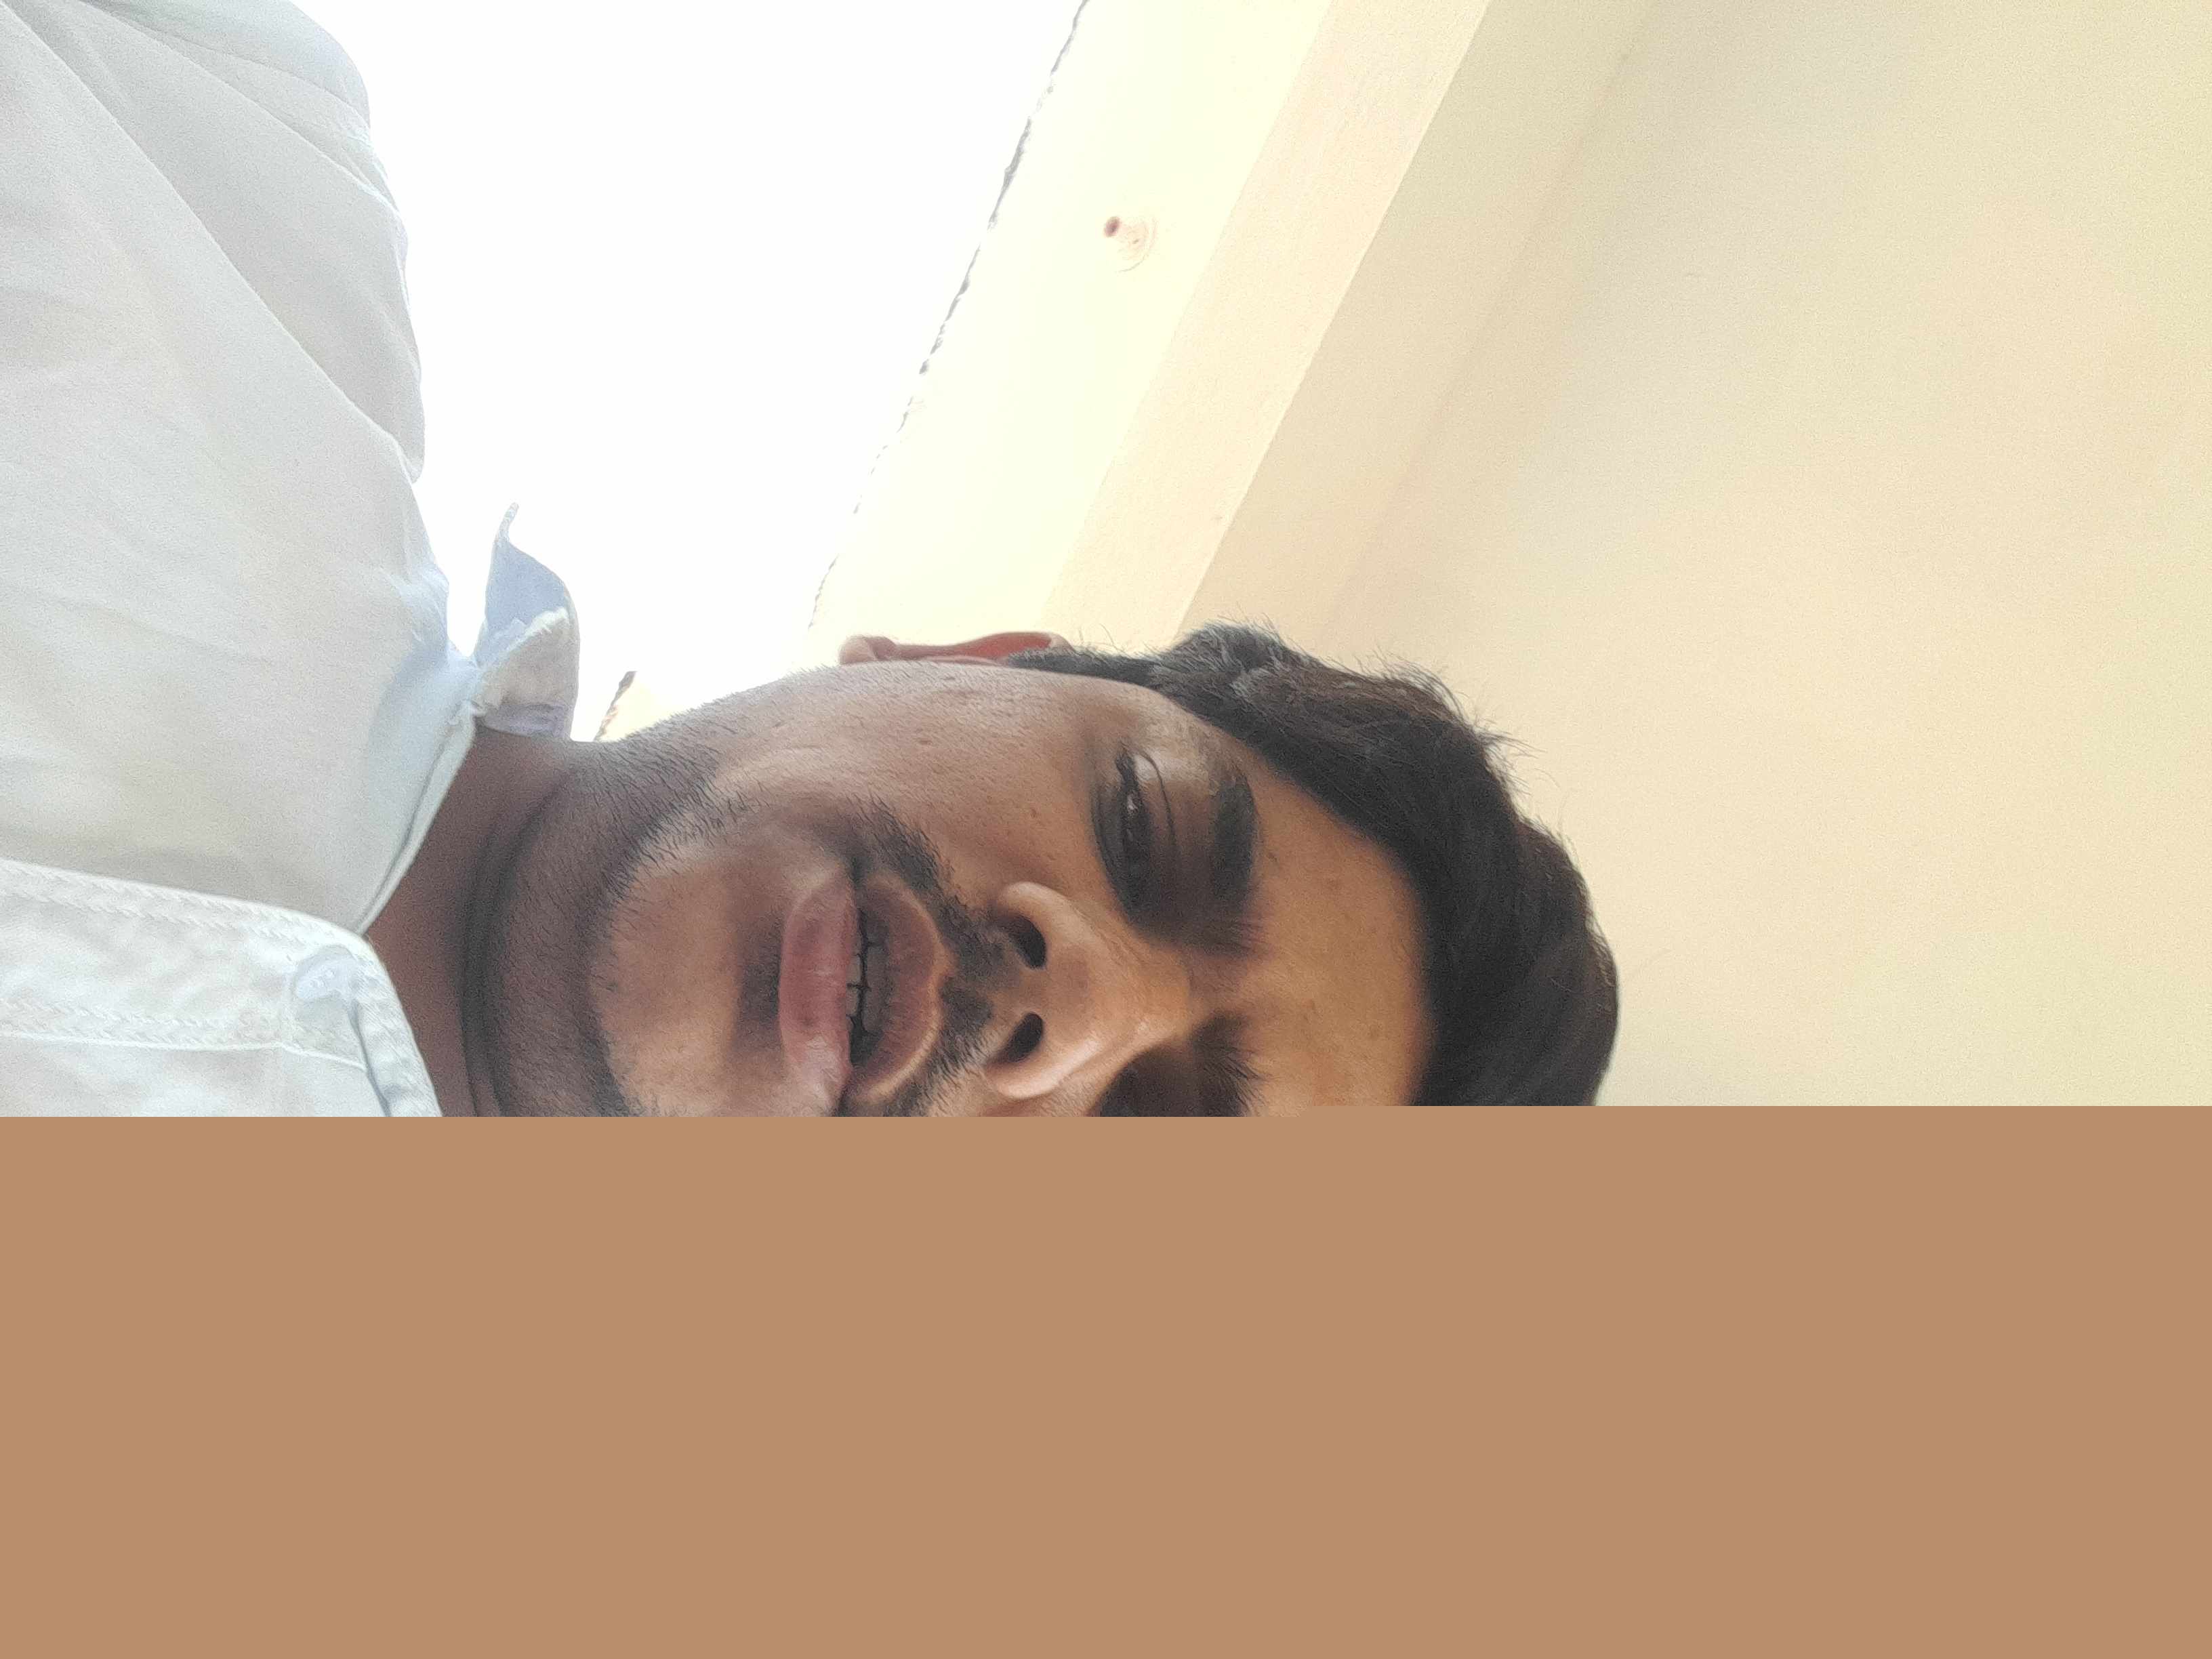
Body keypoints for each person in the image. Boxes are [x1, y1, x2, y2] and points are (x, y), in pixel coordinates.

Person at [1, 0, 1616, 1115]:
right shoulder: (232, 171)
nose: (1083, 1002)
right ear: (970, 661)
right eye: (1139, 826)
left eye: (1144, 1134)